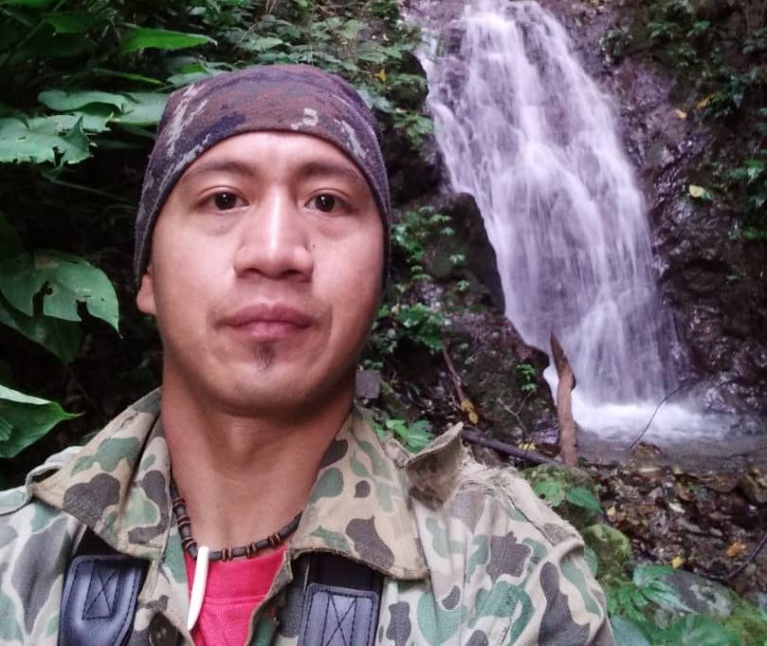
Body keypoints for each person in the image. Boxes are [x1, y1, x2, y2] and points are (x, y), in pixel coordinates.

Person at [0, 64, 615, 646]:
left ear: (378, 280)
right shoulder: (19, 554)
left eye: (327, 202)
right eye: (222, 199)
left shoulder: (511, 576)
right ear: (149, 276)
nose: (274, 250)